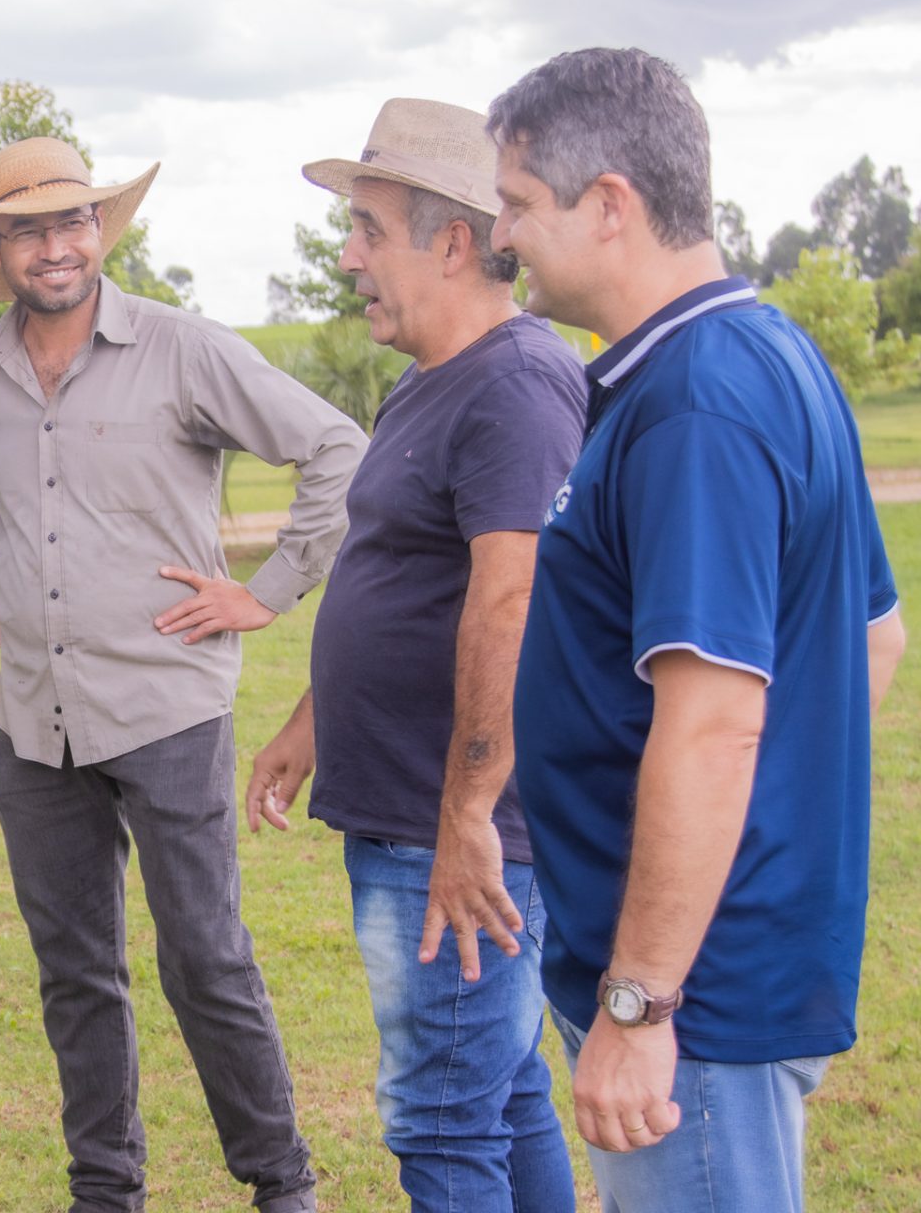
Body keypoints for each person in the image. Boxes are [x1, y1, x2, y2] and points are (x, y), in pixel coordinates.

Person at [0, 136, 366, 1213]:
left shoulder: (183, 348)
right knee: (75, 970)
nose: (56, 246)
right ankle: (105, 1186)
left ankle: (281, 1180)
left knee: (205, 956)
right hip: (34, 726)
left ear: (100, 231)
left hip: (168, 707)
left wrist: (270, 587)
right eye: (29, 227)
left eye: (73, 222)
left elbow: (336, 449)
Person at [488, 48, 908, 1212]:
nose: (504, 237)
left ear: (610, 203)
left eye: (519, 203)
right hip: (715, 968)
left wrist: (643, 1000)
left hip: (696, 1002)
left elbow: (717, 724)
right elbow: (874, 636)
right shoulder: (763, 354)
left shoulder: (694, 405)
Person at [246, 98, 583, 1212]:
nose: (348, 257)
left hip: (455, 828)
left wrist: (467, 814)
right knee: (500, 1085)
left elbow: (512, 595)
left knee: (443, 1114)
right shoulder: (426, 379)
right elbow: (394, 575)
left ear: (451, 240)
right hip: (406, 804)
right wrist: (312, 718)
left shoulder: (516, 384)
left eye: (369, 230)